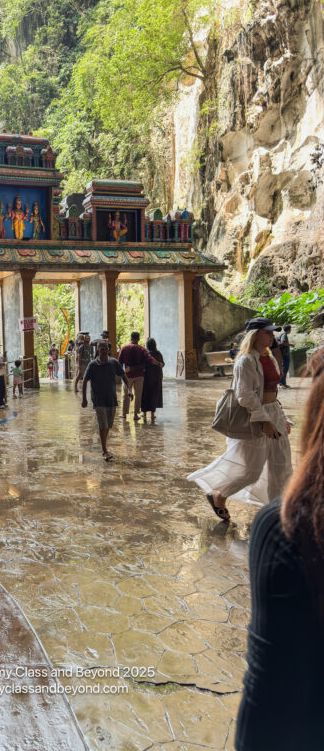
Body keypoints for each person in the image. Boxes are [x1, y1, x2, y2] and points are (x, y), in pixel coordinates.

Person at [235, 348, 324, 750]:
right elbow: (246, 394)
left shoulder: (292, 531)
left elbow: (264, 712)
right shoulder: (248, 360)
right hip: (263, 422)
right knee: (255, 472)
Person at [188, 317, 292, 521]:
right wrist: (265, 421)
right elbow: (245, 395)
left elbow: (272, 391)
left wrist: (281, 417)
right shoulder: (245, 361)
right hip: (256, 417)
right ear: (255, 335)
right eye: (267, 332)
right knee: (250, 471)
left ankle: (278, 514)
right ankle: (218, 495)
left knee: (282, 466)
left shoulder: (268, 357)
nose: (272, 336)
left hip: (273, 414)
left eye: (272, 333)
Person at [82, 341, 132, 461]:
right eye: (101, 349)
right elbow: (84, 381)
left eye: (106, 348)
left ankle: (104, 445)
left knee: (108, 425)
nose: (104, 350)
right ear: (98, 350)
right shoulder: (92, 365)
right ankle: (104, 450)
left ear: (108, 350)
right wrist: (84, 399)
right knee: (102, 424)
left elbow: (124, 376)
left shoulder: (113, 363)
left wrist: (129, 389)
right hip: (98, 400)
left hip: (111, 399)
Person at [119, 332, 159, 420]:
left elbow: (120, 362)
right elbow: (149, 359)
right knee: (138, 395)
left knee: (126, 394)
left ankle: (124, 413)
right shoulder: (142, 349)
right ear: (138, 339)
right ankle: (136, 415)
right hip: (139, 376)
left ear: (130, 338)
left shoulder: (124, 348)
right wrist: (158, 363)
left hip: (127, 376)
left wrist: (121, 373)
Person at [140, 338, 165, 422]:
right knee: (155, 394)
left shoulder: (145, 354)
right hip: (157, 377)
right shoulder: (158, 354)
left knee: (145, 394)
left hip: (147, 377)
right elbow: (163, 364)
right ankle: (152, 414)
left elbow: (142, 365)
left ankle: (144, 413)